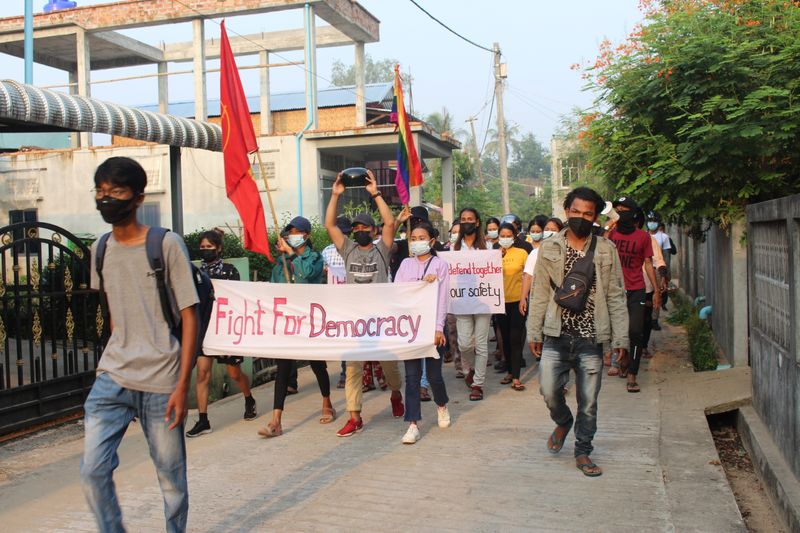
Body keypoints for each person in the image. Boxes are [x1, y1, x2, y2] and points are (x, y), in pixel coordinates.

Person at [82, 157, 198, 532]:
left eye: (115, 192)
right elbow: (115, 312)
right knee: (92, 470)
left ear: (137, 197)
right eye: (101, 192)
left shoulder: (165, 244)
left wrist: (182, 387)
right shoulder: (100, 249)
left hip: (162, 382)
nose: (106, 199)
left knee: (171, 480)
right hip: (113, 376)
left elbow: (190, 316)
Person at [527, 186, 629, 478]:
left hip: (591, 338)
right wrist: (534, 332)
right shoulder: (549, 248)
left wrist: (620, 339)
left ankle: (583, 450)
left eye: (587, 213)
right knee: (548, 390)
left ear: (595, 216)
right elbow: (540, 294)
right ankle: (562, 420)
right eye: (575, 212)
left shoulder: (607, 249)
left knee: (589, 401)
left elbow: (615, 297)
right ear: (566, 211)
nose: (581, 217)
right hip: (556, 335)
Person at [324, 169, 404, 437]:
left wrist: (376, 193)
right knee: (353, 369)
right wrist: (335, 195)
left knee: (390, 367)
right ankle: (354, 416)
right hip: (355, 320)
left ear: (373, 230)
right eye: (356, 228)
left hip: (382, 319)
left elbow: (390, 223)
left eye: (364, 227)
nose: (359, 231)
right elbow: (330, 227)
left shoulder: (382, 249)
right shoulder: (347, 249)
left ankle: (395, 394)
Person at [257, 216, 335, 437]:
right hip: (288, 323)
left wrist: (293, 256)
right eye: (289, 233)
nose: (292, 236)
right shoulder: (280, 264)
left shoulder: (315, 258)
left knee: (317, 364)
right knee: (283, 368)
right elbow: (275, 291)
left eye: (296, 232)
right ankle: (276, 420)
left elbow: (306, 276)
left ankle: (327, 402)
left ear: (306, 235)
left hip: (309, 320)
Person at [185, 230, 256, 438]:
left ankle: (249, 398)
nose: (206, 251)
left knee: (234, 373)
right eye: (203, 247)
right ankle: (203, 419)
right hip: (204, 329)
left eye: (210, 247)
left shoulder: (230, 271)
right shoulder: (195, 273)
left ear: (219, 248)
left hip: (224, 329)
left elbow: (238, 297)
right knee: (202, 374)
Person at [394, 222, 451, 444]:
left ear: (432, 241)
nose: (417, 241)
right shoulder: (405, 264)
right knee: (411, 377)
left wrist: (439, 327)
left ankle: (442, 405)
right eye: (413, 238)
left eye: (421, 237)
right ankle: (413, 424)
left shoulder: (439, 265)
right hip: (411, 328)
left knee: (435, 377)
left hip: (433, 327)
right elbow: (397, 292)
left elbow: (443, 298)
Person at [607, 197, 661, 394]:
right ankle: (623, 358)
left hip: (636, 289)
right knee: (617, 331)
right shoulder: (611, 234)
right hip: (614, 290)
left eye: (624, 209)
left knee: (635, 332)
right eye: (617, 209)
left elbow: (648, 263)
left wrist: (655, 290)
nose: (620, 212)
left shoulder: (643, 237)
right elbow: (599, 249)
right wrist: (610, 224)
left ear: (633, 212)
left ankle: (632, 374)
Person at [452, 207, 492, 401]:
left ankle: (478, 383)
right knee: (464, 343)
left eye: (470, 219)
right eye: (463, 219)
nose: (466, 222)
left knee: (482, 344)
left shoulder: (489, 248)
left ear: (477, 222)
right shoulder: (453, 248)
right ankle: (471, 368)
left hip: (484, 300)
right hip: (461, 300)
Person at [496, 223, 529, 390]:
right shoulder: (492, 254)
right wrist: (496, 257)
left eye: (509, 235)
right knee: (506, 339)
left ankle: (516, 377)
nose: (505, 238)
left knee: (515, 339)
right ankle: (509, 371)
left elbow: (528, 276)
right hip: (499, 303)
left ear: (515, 236)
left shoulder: (522, 253)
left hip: (518, 301)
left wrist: (525, 297)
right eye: (502, 235)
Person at [322, 216, 351, 389]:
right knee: (344, 338)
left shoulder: (356, 250)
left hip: (355, 300)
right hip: (337, 302)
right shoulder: (326, 252)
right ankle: (344, 371)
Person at [519, 218, 564, 320]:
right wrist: (523, 297)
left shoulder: (567, 253)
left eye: (553, 230)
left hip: (561, 297)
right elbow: (528, 276)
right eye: (547, 229)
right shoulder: (535, 253)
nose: (550, 232)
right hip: (540, 297)